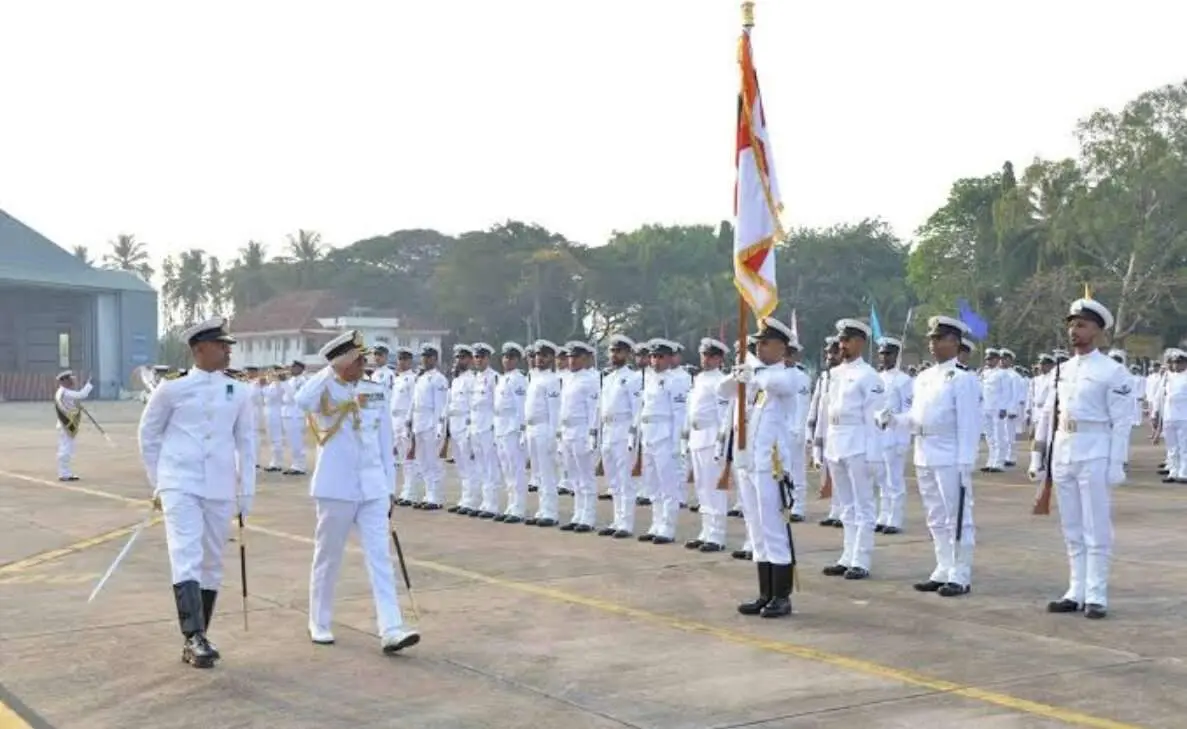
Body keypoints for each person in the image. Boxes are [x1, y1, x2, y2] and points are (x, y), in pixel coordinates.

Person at [137, 316, 257, 668]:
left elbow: (246, 444)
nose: (227, 350)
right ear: (199, 349)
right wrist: (158, 482)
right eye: (221, 345)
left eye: (228, 345)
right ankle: (193, 635)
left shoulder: (239, 391)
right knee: (185, 552)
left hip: (219, 484)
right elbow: (148, 434)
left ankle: (200, 633)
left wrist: (246, 491)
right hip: (180, 482)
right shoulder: (171, 388)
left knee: (212, 561)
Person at [295, 330, 420, 652]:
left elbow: (384, 441)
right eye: (357, 359)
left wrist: (390, 488)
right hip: (335, 488)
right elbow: (301, 401)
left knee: (380, 557)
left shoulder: (374, 390)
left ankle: (391, 627)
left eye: (364, 358)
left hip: (373, 487)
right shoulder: (324, 388)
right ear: (342, 363)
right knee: (328, 557)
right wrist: (329, 370)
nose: (364, 364)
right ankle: (319, 621)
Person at [1030, 297, 1130, 619]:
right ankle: (1076, 589)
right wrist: (1038, 457)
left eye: (1082, 325)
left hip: (1095, 449)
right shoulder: (1061, 370)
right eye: (1071, 324)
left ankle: (1097, 593)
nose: (1074, 330)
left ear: (1098, 332)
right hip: (1064, 449)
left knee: (1096, 526)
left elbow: (1122, 422)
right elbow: (1048, 415)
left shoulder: (1112, 372)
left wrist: (1116, 463)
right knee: (1071, 526)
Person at [878, 316, 980, 597]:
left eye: (938, 338)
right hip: (924, 451)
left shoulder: (962, 378)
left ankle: (960, 573)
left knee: (957, 516)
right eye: (931, 339)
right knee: (935, 515)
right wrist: (893, 419)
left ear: (954, 342)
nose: (932, 344)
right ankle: (943, 566)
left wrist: (965, 461)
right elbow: (915, 418)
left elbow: (969, 424)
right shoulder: (923, 378)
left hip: (950, 453)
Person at [718, 317, 800, 618]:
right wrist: (737, 374)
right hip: (748, 463)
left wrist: (752, 370)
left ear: (782, 347)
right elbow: (721, 391)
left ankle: (782, 595)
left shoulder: (788, 377)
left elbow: (775, 383)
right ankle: (765, 593)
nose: (759, 346)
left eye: (765, 342)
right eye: (757, 342)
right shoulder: (754, 377)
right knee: (757, 529)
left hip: (771, 467)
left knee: (774, 529)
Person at [820, 319, 885, 580]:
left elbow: (874, 419)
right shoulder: (835, 374)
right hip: (837, 442)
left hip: (859, 443)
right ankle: (847, 555)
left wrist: (874, 455)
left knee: (864, 505)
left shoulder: (869, 376)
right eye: (840, 341)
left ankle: (862, 559)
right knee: (845, 505)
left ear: (860, 342)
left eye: (847, 340)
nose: (842, 345)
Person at [54, 370, 93, 481]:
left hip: (65, 423)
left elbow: (70, 404)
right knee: (66, 448)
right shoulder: (65, 392)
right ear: (64, 380)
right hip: (66, 424)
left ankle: (65, 472)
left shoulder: (62, 392)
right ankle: (64, 473)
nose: (72, 381)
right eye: (69, 379)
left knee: (67, 447)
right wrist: (89, 384)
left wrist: (76, 406)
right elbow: (82, 394)